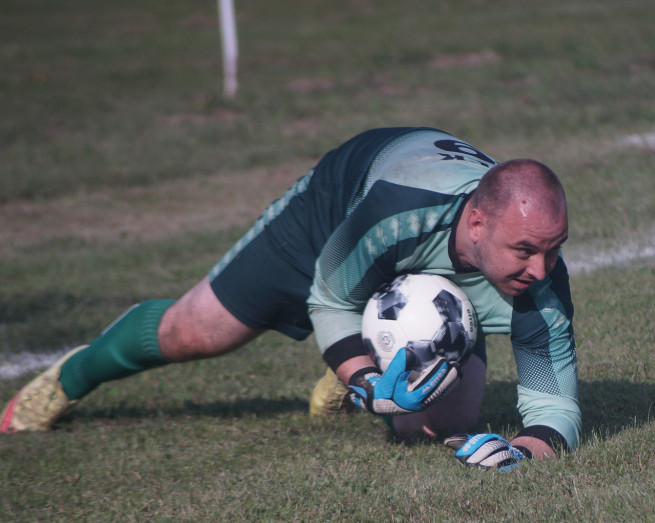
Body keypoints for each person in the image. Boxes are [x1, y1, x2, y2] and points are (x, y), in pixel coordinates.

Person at [1, 127, 580, 469]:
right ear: (476, 223)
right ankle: (73, 374)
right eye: (525, 249)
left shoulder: (539, 276)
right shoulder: (396, 211)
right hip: (335, 206)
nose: (540, 268)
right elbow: (328, 298)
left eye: (553, 250)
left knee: (428, 429)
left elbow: (555, 413)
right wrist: (365, 383)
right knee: (194, 334)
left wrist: (521, 455)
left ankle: (376, 349)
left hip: (433, 256)